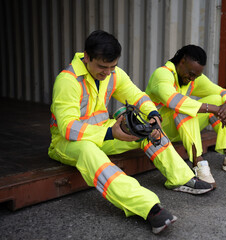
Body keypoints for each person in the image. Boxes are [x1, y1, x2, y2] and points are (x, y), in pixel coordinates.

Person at [48, 31, 213, 234]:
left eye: (112, 66)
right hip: (67, 142)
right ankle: (149, 209)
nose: (107, 72)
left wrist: (153, 114)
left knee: (146, 129)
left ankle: (181, 178)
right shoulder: (68, 81)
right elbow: (67, 128)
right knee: (88, 151)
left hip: (103, 133)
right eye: (102, 66)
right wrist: (111, 134)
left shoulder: (112, 74)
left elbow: (136, 95)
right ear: (87, 57)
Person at [145, 45, 226, 187]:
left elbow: (221, 92)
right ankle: (198, 163)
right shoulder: (162, 74)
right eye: (191, 74)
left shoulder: (192, 77)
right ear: (182, 62)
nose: (192, 79)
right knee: (184, 107)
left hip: (176, 128)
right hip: (154, 129)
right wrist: (212, 109)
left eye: (196, 76)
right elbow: (173, 101)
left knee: (217, 101)